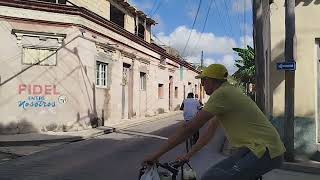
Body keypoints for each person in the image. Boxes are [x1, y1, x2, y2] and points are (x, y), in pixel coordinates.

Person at [143, 64, 286, 180]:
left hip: (265, 150)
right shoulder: (227, 93)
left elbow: (190, 128)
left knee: (211, 177)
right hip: (254, 149)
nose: (202, 85)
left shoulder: (222, 94)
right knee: (214, 173)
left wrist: (156, 155)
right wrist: (188, 155)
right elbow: (209, 131)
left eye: (203, 81)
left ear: (211, 80)